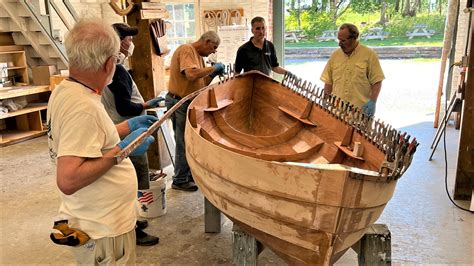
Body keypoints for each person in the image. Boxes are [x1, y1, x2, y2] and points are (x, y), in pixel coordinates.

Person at [46, 18, 156, 264]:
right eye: (116, 59)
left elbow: (85, 138)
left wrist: (125, 127)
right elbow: (68, 179)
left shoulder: (66, 90)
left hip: (92, 217)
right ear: (109, 63)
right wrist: (124, 148)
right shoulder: (84, 106)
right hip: (104, 228)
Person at [101, 23, 162, 246]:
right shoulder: (116, 71)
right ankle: (132, 228)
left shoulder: (113, 68)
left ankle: (133, 221)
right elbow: (124, 107)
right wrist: (145, 105)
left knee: (130, 180)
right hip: (125, 128)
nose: (131, 43)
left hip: (119, 126)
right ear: (117, 43)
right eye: (128, 39)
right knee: (130, 182)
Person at [165, 31, 224, 192]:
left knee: (189, 140)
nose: (214, 51)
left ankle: (188, 174)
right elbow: (191, 75)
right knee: (183, 141)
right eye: (213, 47)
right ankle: (179, 179)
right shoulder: (187, 50)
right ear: (206, 41)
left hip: (188, 102)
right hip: (179, 102)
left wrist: (213, 73)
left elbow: (201, 82)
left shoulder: (199, 58)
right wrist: (213, 68)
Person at [320, 23, 385, 116]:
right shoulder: (335, 56)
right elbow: (328, 81)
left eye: (343, 41)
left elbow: (377, 81)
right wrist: (325, 100)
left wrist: (373, 102)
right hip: (337, 111)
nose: (339, 44)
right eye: (338, 40)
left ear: (354, 38)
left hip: (360, 112)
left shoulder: (369, 55)